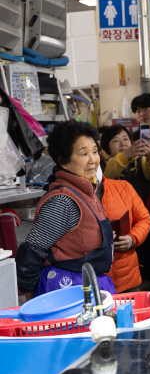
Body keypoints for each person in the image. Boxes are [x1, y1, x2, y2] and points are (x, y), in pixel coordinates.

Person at [16, 121, 115, 298]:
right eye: (84, 153)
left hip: (90, 283)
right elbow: (31, 251)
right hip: (66, 289)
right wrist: (32, 299)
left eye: (95, 151)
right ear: (63, 161)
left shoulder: (86, 191)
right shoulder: (63, 200)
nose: (93, 159)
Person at [98, 171, 150, 294]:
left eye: (95, 152)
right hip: (94, 283)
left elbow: (144, 218)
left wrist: (132, 238)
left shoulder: (123, 187)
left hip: (127, 279)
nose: (92, 161)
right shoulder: (71, 196)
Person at [101, 125, 150, 204]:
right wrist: (125, 156)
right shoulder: (103, 163)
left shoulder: (140, 158)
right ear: (107, 147)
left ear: (131, 141)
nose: (123, 144)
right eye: (116, 141)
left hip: (142, 208)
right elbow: (106, 174)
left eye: (126, 139)